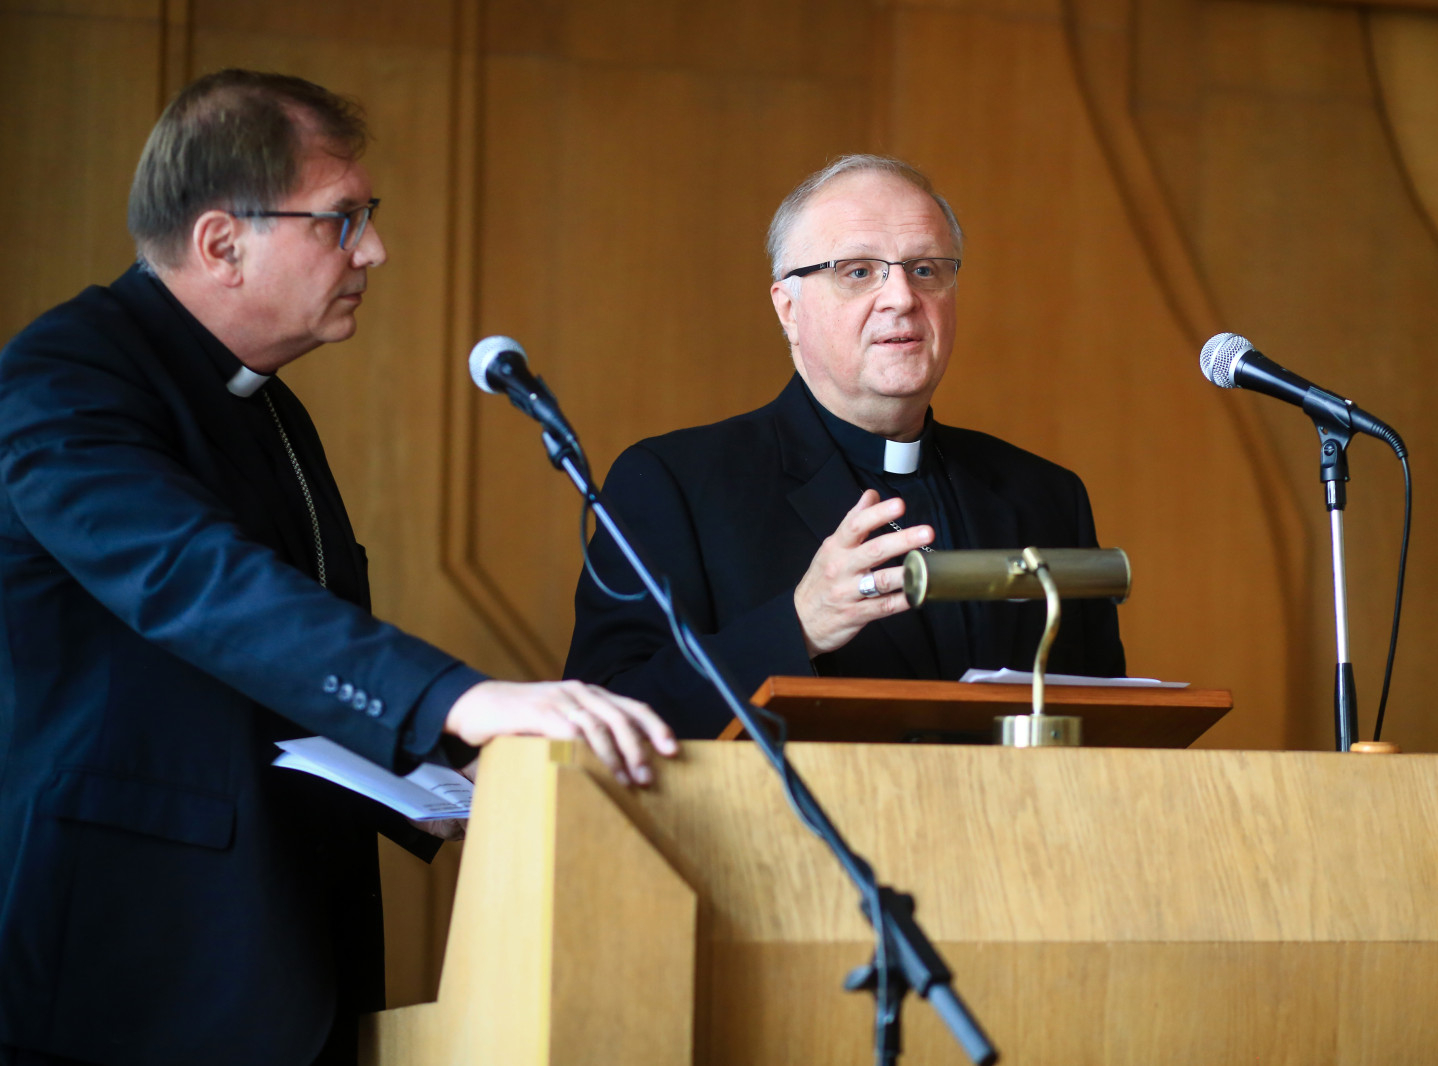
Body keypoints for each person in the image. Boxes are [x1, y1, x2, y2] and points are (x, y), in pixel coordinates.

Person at [0, 70, 675, 1066]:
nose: (374, 250)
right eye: (342, 219)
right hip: (135, 962)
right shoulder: (64, 377)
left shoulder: (269, 402)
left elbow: (278, 673)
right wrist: (454, 701)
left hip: (281, 944)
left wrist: (440, 768)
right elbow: (200, 584)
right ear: (221, 243)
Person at [564, 154, 1125, 738]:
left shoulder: (1044, 496)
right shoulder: (673, 484)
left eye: (925, 269)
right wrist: (798, 625)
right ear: (788, 309)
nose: (901, 297)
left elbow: (1109, 729)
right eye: (858, 271)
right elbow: (607, 715)